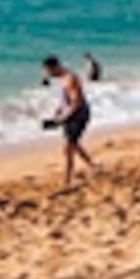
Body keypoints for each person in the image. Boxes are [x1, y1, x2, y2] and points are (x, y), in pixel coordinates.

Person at [41, 55, 100, 186]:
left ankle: (68, 181)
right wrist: (58, 111)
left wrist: (61, 119)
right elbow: (66, 100)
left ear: (55, 67)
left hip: (79, 115)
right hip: (70, 114)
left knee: (68, 148)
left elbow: (76, 102)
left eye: (48, 71)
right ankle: (93, 166)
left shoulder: (70, 79)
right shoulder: (62, 79)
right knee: (74, 144)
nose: (47, 75)